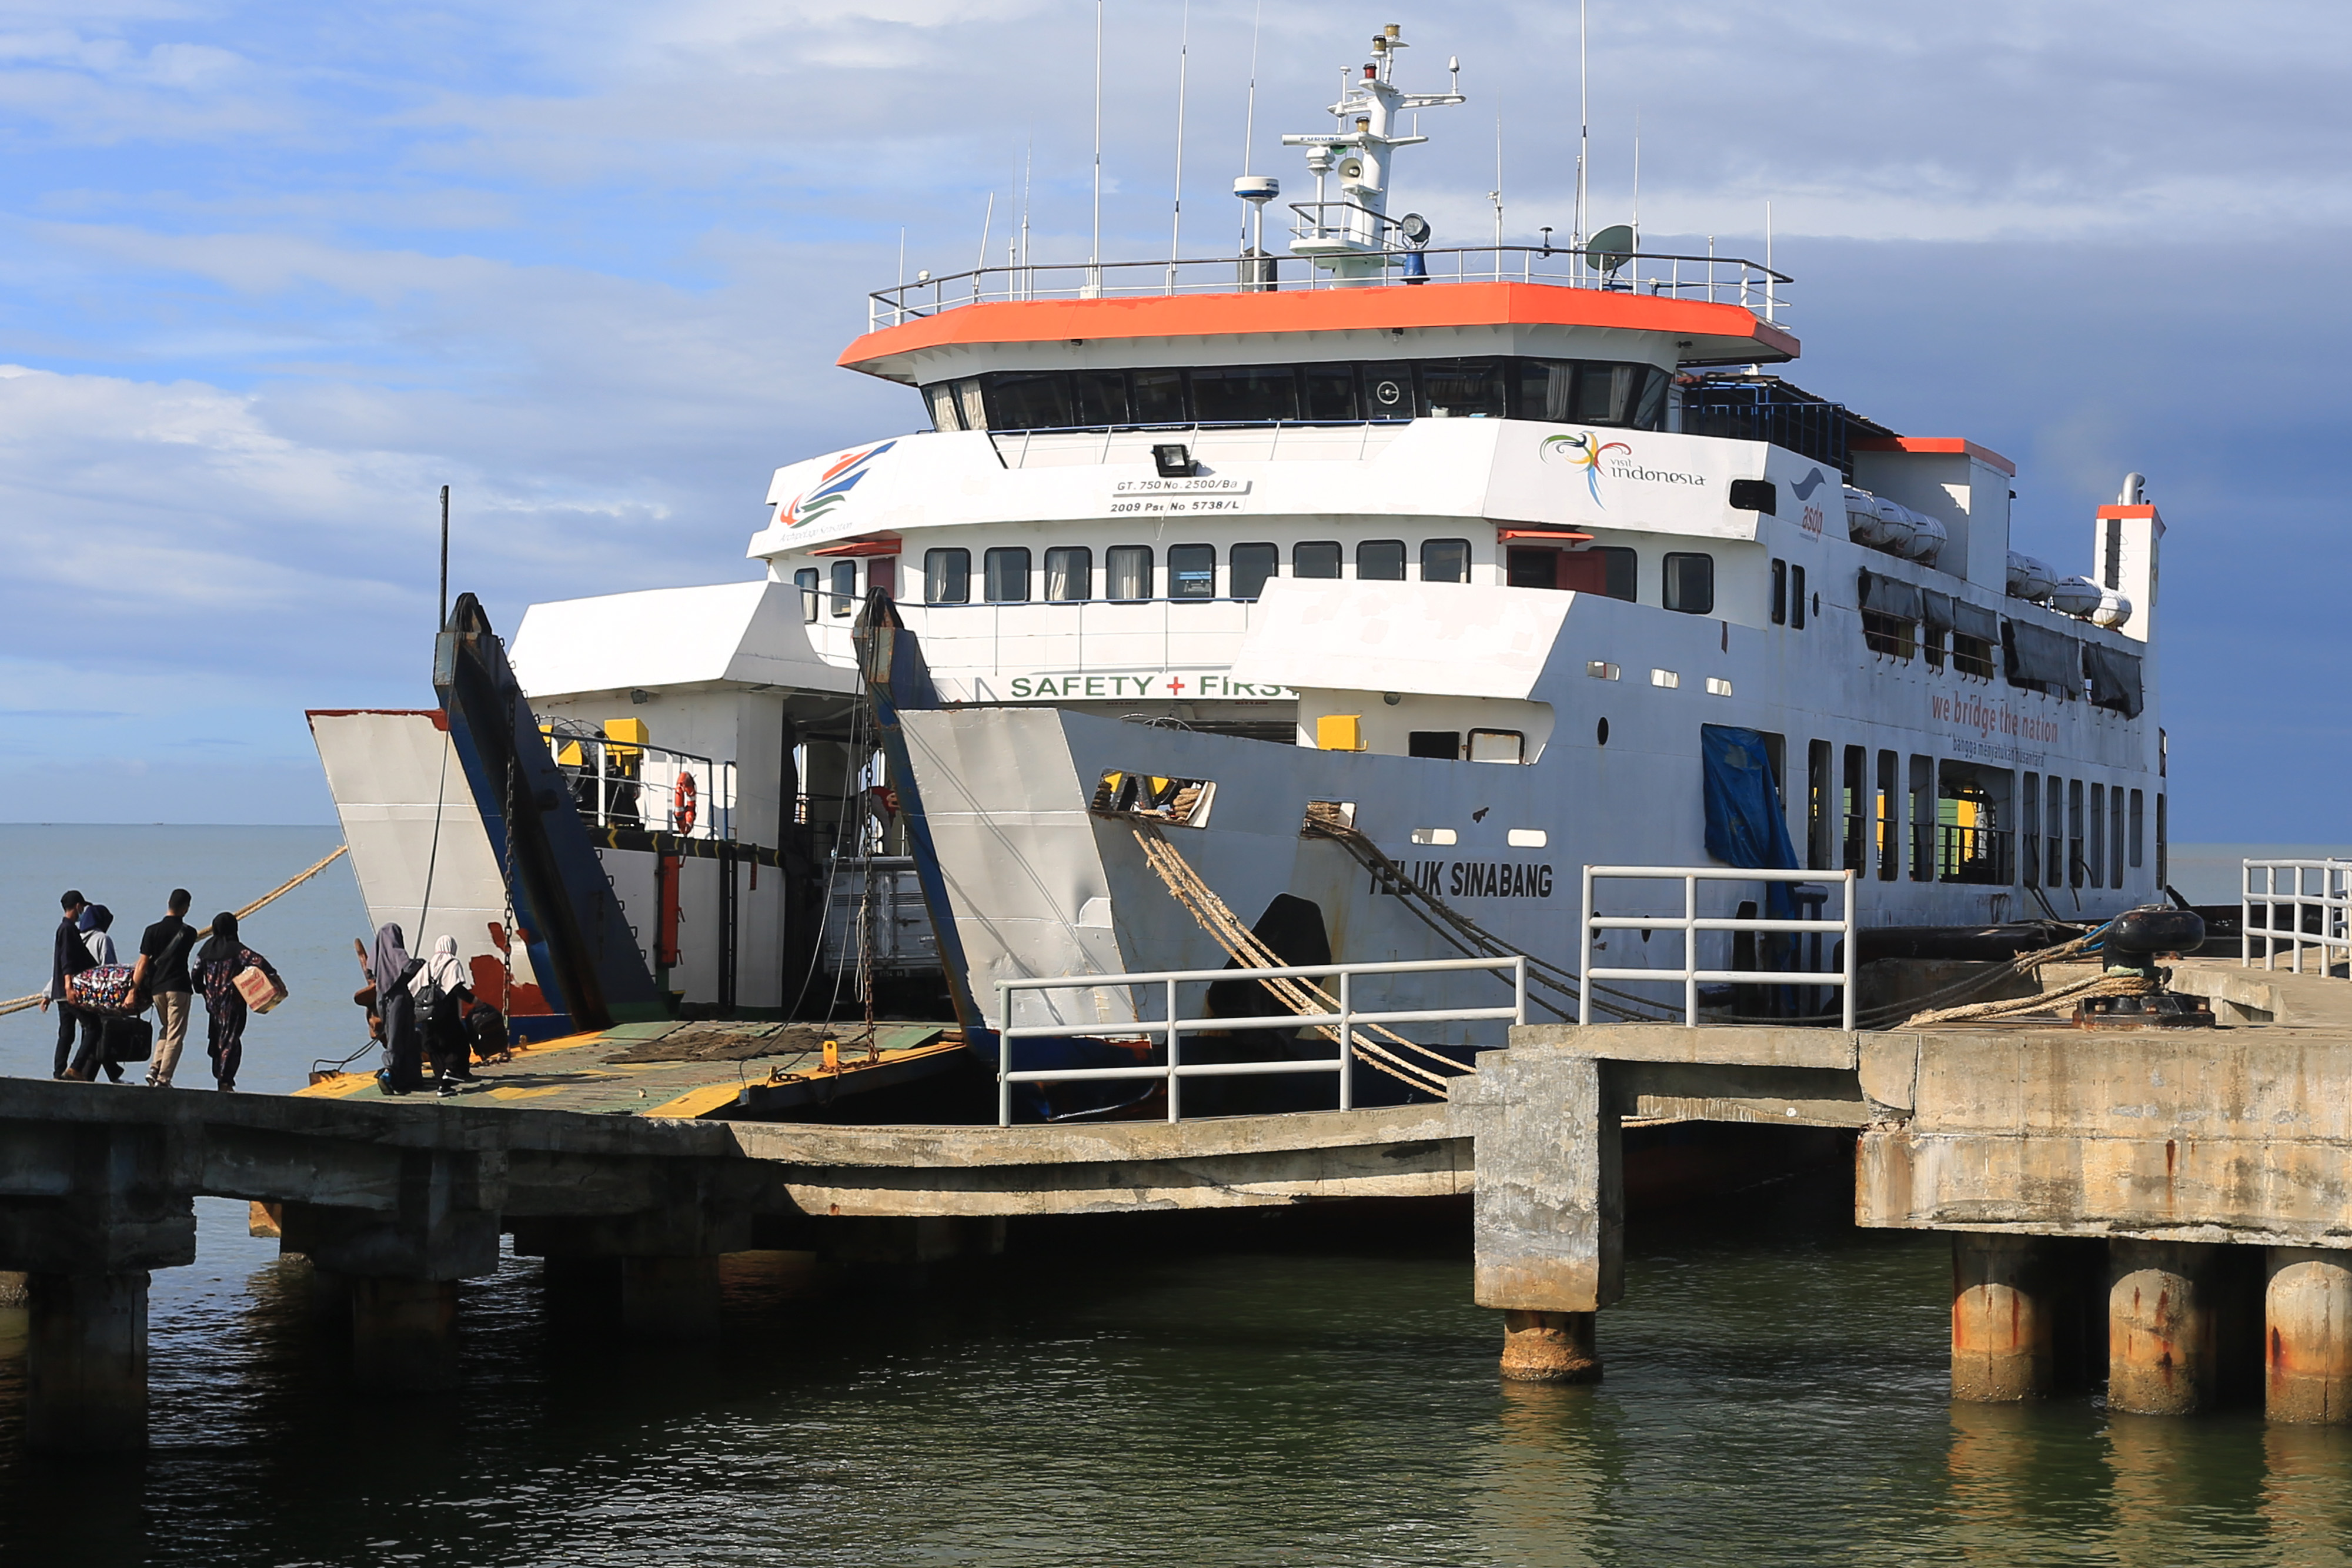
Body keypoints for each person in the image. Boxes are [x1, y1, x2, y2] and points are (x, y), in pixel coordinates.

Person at [191, 911, 285, 1092]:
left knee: (217, 1039)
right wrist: (274, 976)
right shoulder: (236, 949)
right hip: (232, 1003)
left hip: (212, 1004)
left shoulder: (205, 949)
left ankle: (220, 1077)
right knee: (231, 1040)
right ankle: (225, 1082)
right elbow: (258, 960)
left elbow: (195, 973)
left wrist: (202, 991)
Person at [132, 890, 199, 1088]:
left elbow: (142, 964)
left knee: (166, 1029)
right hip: (179, 987)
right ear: (186, 908)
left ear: (168, 903)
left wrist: (132, 990)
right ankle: (164, 1079)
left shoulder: (151, 931)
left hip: (157, 989)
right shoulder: (190, 933)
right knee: (176, 1034)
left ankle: (154, 1069)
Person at [39, 890, 96, 1079]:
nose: (83, 912)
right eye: (82, 907)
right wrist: (69, 987)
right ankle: (76, 1068)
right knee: (94, 1027)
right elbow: (67, 961)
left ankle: (58, 1074)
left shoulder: (65, 929)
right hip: (68, 991)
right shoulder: (68, 929)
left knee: (67, 1034)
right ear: (78, 906)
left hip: (60, 992)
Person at [69, 904, 125, 1082]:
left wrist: (48, 994)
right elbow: (110, 969)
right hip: (99, 996)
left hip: (79, 995)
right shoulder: (102, 939)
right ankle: (89, 1075)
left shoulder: (76, 937)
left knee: (90, 1034)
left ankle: (102, 1075)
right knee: (100, 1034)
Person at [413, 935, 476, 1095]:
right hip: (446, 1014)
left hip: (427, 1016)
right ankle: (453, 1072)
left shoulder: (428, 965)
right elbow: (457, 988)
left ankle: (443, 1086)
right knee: (459, 1044)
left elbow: (413, 988)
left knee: (435, 1050)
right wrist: (475, 1001)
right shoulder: (452, 963)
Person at [370, 922, 425, 1095]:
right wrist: (422, 963)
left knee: (396, 1035)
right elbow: (408, 966)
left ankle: (407, 1078)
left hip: (381, 998)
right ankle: (389, 1073)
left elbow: (370, 971)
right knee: (401, 1036)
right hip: (398, 998)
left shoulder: (378, 954)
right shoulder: (395, 950)